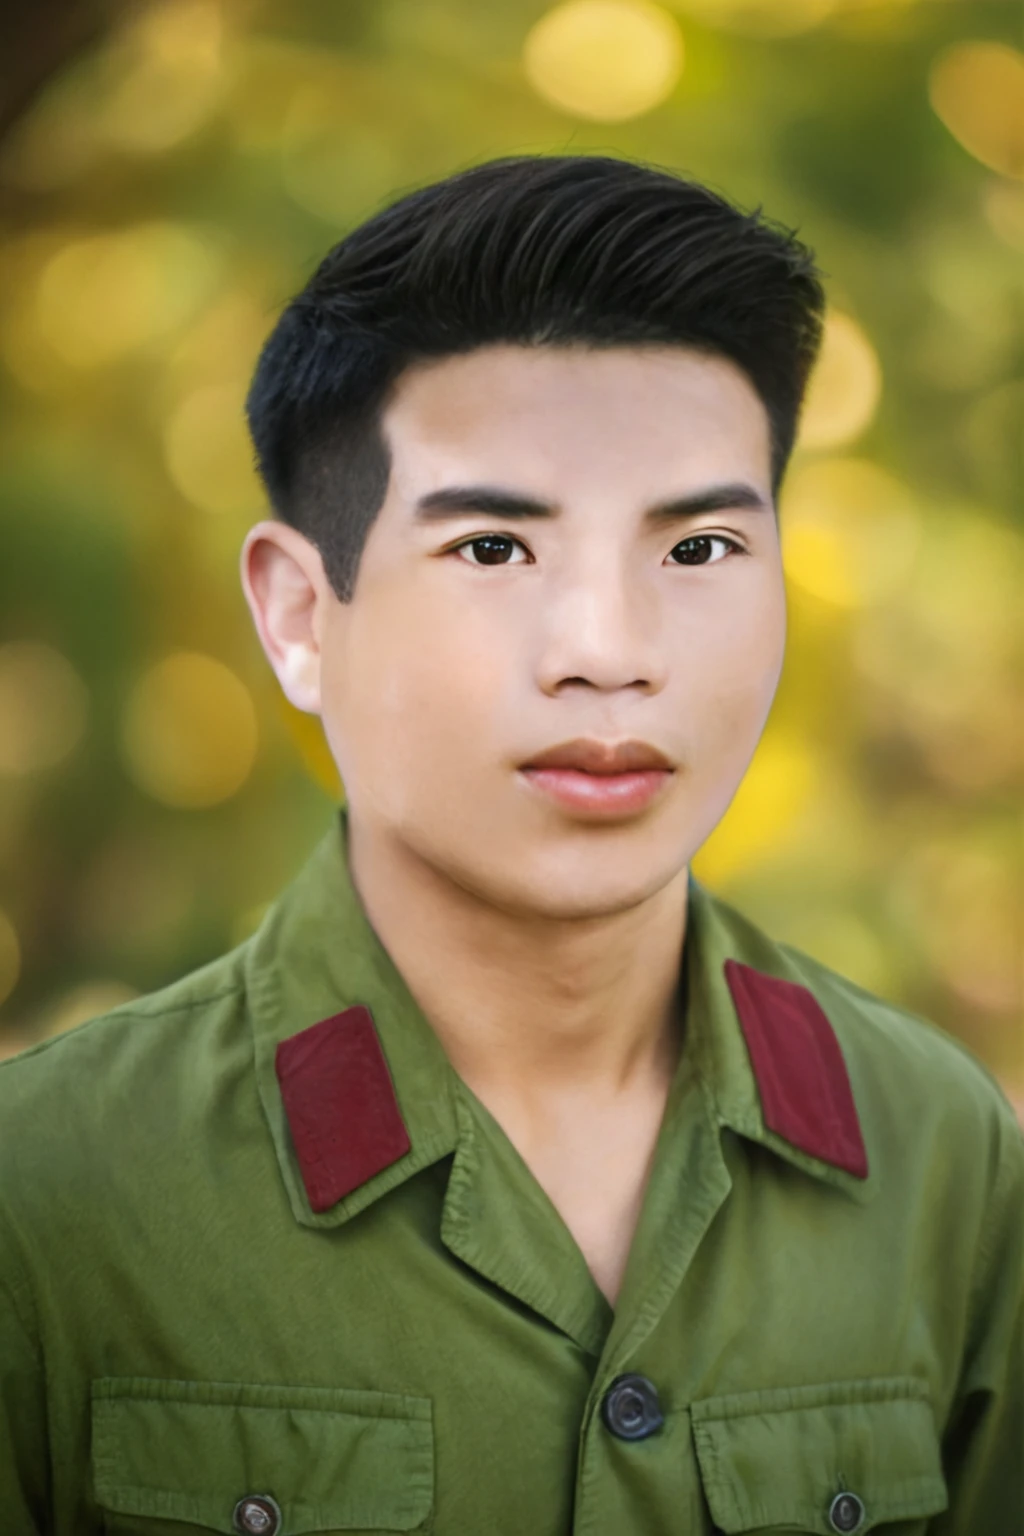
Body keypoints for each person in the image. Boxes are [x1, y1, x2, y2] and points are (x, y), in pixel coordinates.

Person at [0, 153, 1020, 1535]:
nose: (607, 653)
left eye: (701, 549)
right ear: (301, 617)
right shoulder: (54, 1190)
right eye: (494, 549)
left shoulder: (938, 1156)